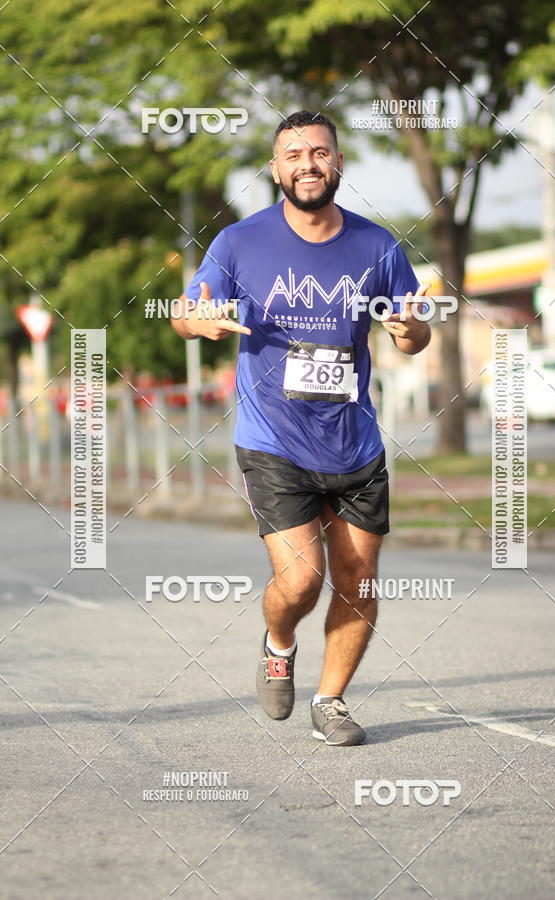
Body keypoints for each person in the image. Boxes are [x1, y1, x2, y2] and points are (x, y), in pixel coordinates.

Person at [171, 110, 430, 745]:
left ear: (337, 162)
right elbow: (188, 310)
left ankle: (332, 700)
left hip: (355, 443)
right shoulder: (238, 242)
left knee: (357, 580)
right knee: (300, 579)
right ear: (275, 168)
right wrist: (195, 323)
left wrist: (410, 332)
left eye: (318, 152)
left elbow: (415, 330)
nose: (307, 164)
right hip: (274, 439)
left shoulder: (378, 246)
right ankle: (278, 642)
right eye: (293, 154)